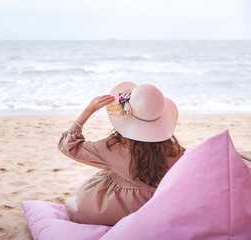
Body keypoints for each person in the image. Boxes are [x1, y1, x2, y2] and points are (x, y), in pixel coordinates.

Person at [58, 82, 185, 226]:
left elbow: (67, 146)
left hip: (113, 211)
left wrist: (88, 111)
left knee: (74, 203)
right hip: (155, 211)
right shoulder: (175, 151)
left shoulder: (115, 148)